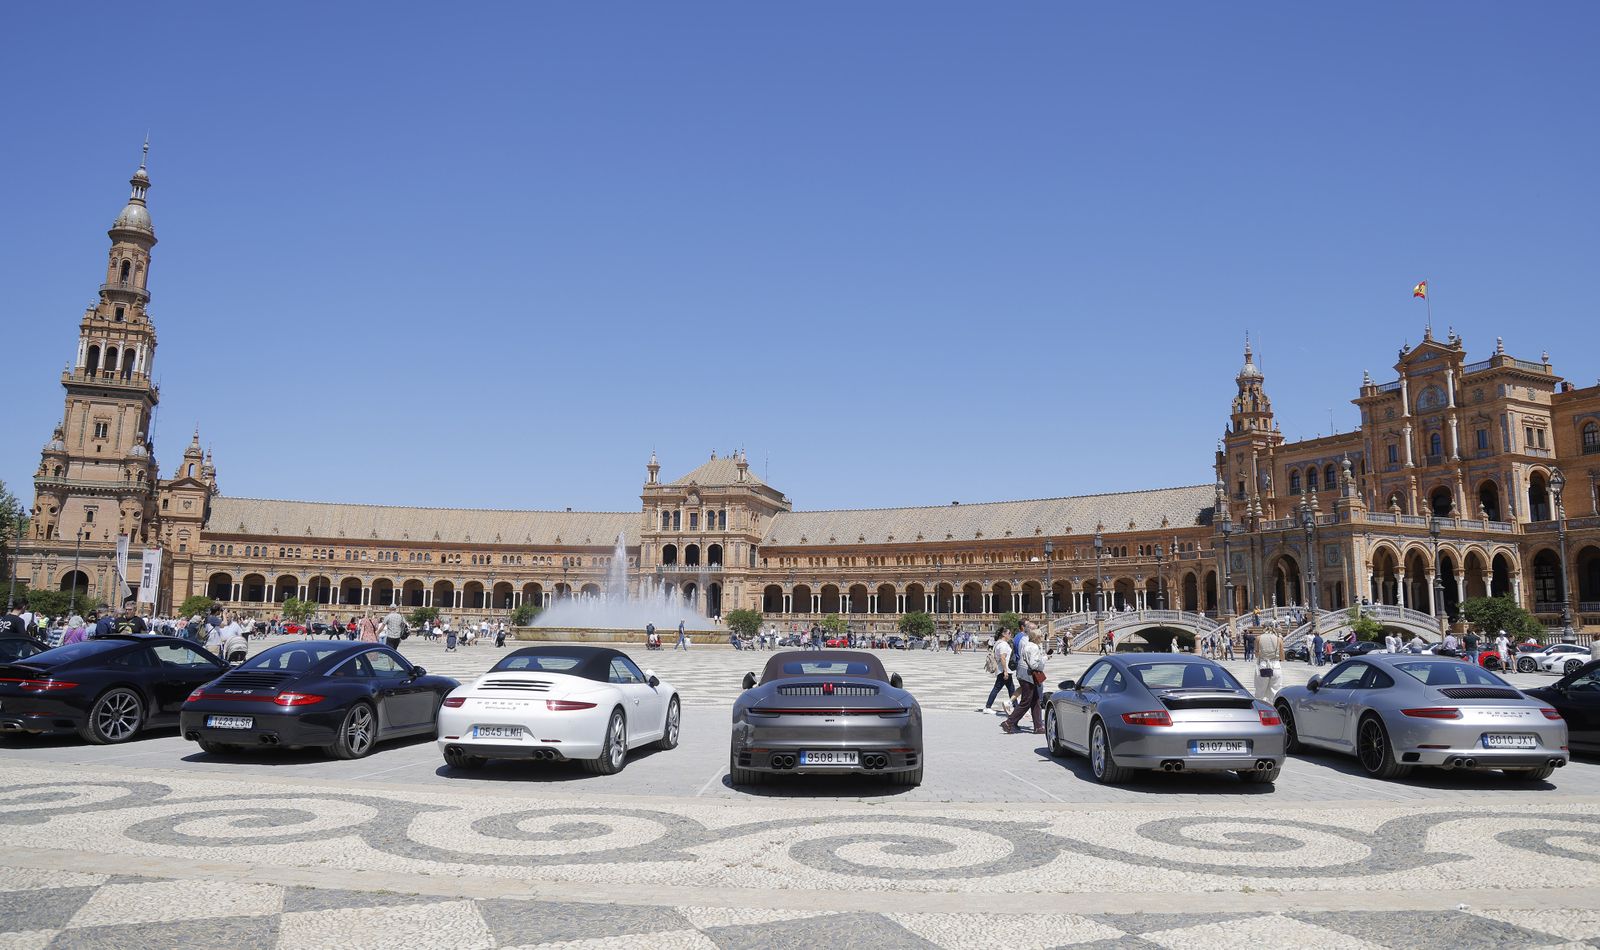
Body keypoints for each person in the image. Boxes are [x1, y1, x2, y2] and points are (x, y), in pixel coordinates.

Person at [1002, 629, 1046, 734]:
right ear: (1037, 637)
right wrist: (1044, 659)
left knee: (1035, 700)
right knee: (1026, 702)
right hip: (1028, 676)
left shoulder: (1027, 645)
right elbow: (1034, 665)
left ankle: (1038, 726)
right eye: (1041, 636)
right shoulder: (1034, 647)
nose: (1042, 638)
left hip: (1022, 673)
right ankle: (1009, 722)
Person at [983, 632, 1015, 716]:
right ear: (1004, 634)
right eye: (1009, 633)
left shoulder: (998, 643)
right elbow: (1003, 658)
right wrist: (1005, 671)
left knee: (1011, 689)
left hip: (1003, 669)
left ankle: (1016, 706)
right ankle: (987, 707)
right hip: (1003, 670)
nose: (1010, 635)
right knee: (997, 688)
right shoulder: (1003, 644)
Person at [1253, 625, 1284, 701]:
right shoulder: (1279, 639)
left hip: (1263, 665)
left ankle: (1260, 707)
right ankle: (1273, 707)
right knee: (1275, 692)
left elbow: (1256, 655)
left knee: (1260, 692)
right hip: (1275, 666)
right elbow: (1282, 657)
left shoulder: (1258, 638)